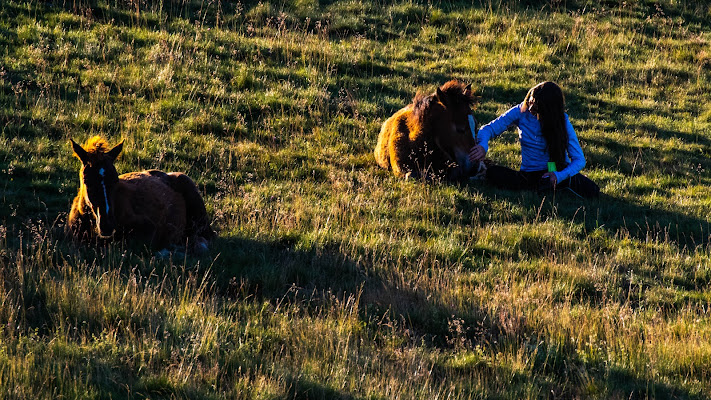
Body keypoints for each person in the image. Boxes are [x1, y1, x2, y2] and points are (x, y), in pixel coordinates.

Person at [468, 81, 599, 198]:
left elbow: (579, 159)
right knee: (493, 173)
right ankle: (545, 188)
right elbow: (488, 129)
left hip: (555, 170)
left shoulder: (562, 121)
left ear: (548, 109)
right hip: (529, 174)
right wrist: (482, 146)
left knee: (592, 190)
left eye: (536, 107)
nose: (531, 109)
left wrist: (559, 176)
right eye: (530, 102)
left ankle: (555, 185)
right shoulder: (521, 111)